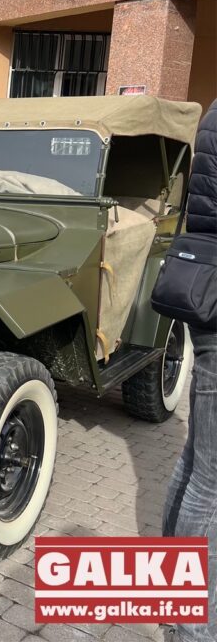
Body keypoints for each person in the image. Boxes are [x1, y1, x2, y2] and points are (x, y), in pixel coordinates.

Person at [162, 99, 217, 642]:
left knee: (195, 462)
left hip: (204, 296)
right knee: (212, 482)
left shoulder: (214, 115)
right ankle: (192, 627)